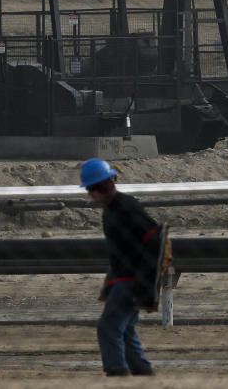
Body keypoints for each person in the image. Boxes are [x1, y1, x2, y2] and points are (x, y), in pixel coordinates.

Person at [81, 157, 161, 378]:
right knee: (124, 327)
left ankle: (117, 370)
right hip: (126, 278)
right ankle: (142, 369)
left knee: (108, 327)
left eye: (90, 189)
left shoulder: (125, 207)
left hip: (130, 280)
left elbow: (154, 241)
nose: (90, 195)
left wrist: (145, 281)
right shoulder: (115, 208)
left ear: (99, 188)